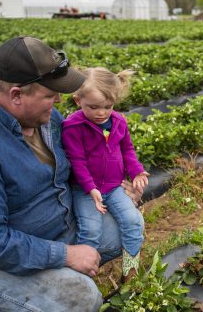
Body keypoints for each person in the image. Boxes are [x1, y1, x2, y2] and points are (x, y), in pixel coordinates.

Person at [0, 36, 123, 312]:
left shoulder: (44, 119)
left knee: (126, 227)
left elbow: (76, 166)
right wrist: (65, 255)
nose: (59, 100)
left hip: (53, 229)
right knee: (83, 298)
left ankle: (44, 287)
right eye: (50, 95)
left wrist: (111, 184)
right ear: (16, 95)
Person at [62, 67, 149, 280]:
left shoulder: (119, 121)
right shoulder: (73, 126)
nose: (101, 113)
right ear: (77, 101)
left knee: (133, 220)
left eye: (107, 107)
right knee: (90, 231)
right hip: (85, 191)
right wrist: (90, 188)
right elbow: (77, 162)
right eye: (93, 107)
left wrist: (136, 172)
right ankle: (84, 279)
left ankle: (130, 269)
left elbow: (127, 150)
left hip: (114, 186)